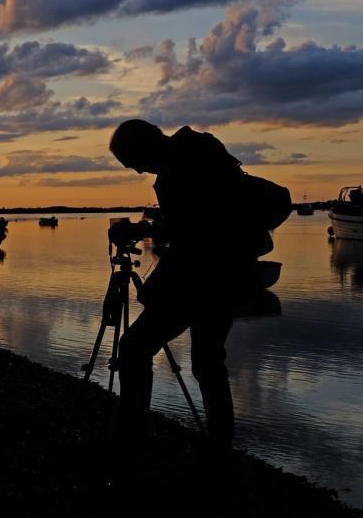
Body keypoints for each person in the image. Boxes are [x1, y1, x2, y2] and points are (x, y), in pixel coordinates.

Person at [109, 119, 279, 451]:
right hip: (222, 276)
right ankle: (220, 444)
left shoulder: (184, 165)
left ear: (146, 147)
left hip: (203, 279)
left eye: (135, 163)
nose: (139, 171)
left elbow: (194, 230)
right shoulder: (197, 152)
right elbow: (190, 224)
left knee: (134, 349)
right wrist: (148, 231)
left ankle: (131, 435)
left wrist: (141, 232)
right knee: (208, 362)